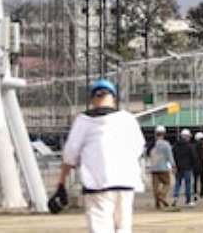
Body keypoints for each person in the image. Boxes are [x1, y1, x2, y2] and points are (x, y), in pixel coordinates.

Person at [58, 79, 145, 233]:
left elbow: (70, 154)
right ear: (114, 98)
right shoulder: (127, 119)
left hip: (97, 183)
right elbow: (139, 147)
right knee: (123, 228)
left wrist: (61, 182)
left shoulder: (84, 120)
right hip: (125, 182)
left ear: (92, 99)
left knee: (100, 228)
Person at [146, 125, 174, 209]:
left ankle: (157, 203)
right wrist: (173, 165)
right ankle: (162, 195)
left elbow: (146, 155)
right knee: (167, 183)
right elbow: (169, 156)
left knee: (155, 187)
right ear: (164, 134)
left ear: (155, 133)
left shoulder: (151, 144)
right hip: (163, 168)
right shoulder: (166, 144)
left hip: (153, 168)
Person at [171, 129, 196, 206]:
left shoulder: (175, 145)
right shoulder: (189, 146)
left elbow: (173, 156)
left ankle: (175, 198)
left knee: (178, 183)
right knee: (188, 184)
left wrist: (174, 166)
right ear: (187, 136)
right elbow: (193, 157)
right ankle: (188, 200)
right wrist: (193, 165)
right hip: (187, 167)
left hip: (178, 167)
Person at [192, 131, 203, 202]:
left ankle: (195, 193)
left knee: (195, 180)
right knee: (202, 180)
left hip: (195, 165)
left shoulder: (193, 146)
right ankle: (202, 193)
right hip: (202, 165)